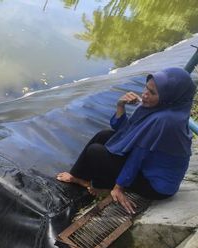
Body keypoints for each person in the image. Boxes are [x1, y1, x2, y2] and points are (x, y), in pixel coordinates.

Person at [57, 67, 196, 213]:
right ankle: (77, 176)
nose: (145, 94)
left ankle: (101, 187)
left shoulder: (166, 120)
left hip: (155, 186)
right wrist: (120, 105)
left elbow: (139, 155)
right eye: (146, 88)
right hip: (149, 165)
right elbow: (124, 132)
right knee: (104, 135)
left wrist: (119, 188)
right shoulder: (161, 107)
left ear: (169, 97)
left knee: (96, 152)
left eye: (152, 92)